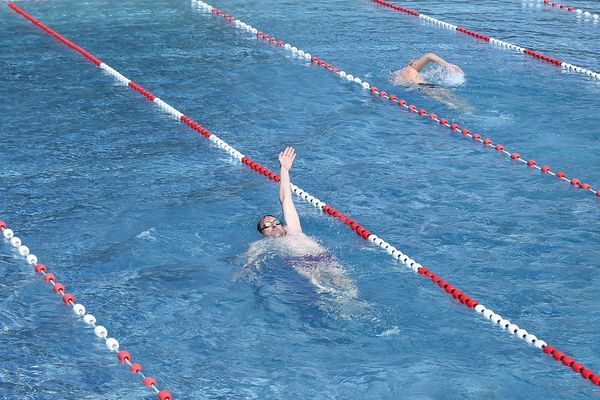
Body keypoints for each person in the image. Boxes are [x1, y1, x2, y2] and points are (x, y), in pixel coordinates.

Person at [249, 146, 357, 297]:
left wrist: (284, 170)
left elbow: (286, 199)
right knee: (326, 292)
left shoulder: (293, 230)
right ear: (262, 233)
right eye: (266, 224)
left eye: (275, 222)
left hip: (324, 258)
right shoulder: (263, 245)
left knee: (349, 290)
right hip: (302, 263)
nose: (273, 225)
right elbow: (250, 262)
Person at [389, 52, 470, 110]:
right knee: (449, 95)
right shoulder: (412, 67)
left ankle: (454, 106)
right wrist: (447, 65)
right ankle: (466, 108)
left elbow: (395, 83)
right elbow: (429, 55)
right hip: (424, 85)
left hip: (415, 88)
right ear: (412, 63)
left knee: (440, 99)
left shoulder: (398, 75)